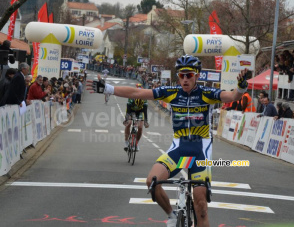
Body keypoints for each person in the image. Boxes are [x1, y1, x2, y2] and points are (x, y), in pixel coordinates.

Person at [89, 54, 249, 227]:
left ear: (197, 75)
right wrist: (108, 89)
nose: (185, 79)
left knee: (201, 206)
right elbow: (137, 92)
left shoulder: (207, 94)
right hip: (179, 150)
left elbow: (233, 97)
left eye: (189, 75)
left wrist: (241, 87)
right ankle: (172, 215)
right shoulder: (171, 93)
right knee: (152, 181)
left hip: (200, 151)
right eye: (182, 75)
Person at [123, 83, 149, 152]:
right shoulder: (131, 98)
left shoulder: (145, 99)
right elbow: (128, 111)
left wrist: (146, 122)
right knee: (129, 123)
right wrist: (126, 119)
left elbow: (145, 112)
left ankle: (136, 143)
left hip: (140, 111)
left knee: (140, 127)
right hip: (131, 110)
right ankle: (126, 141)